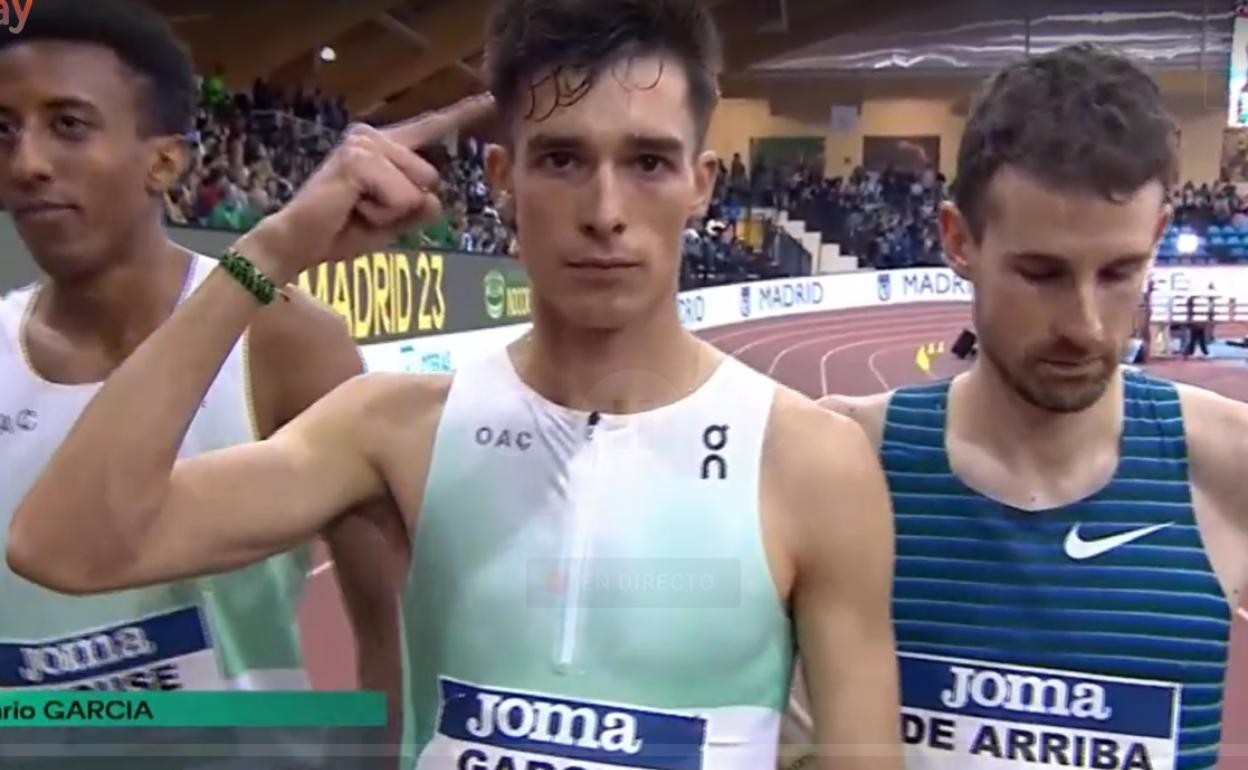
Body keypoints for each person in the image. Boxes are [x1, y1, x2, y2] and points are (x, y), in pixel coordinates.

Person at [8, 1, 904, 768]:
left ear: (701, 184)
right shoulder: (395, 428)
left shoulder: (810, 461)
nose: (603, 210)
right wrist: (269, 253)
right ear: (503, 179)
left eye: (647, 162)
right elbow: (70, 547)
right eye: (561, 159)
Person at [793, 43, 1244, 770]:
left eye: (1121, 271)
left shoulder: (1229, 467)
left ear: (1158, 237)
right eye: (1041, 274)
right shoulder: (843, 461)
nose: (1088, 326)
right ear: (958, 240)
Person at [0, 1, 401, 765]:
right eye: (3, 130)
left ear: (166, 161)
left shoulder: (286, 341)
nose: (28, 163)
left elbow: (389, 630)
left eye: (70, 125)